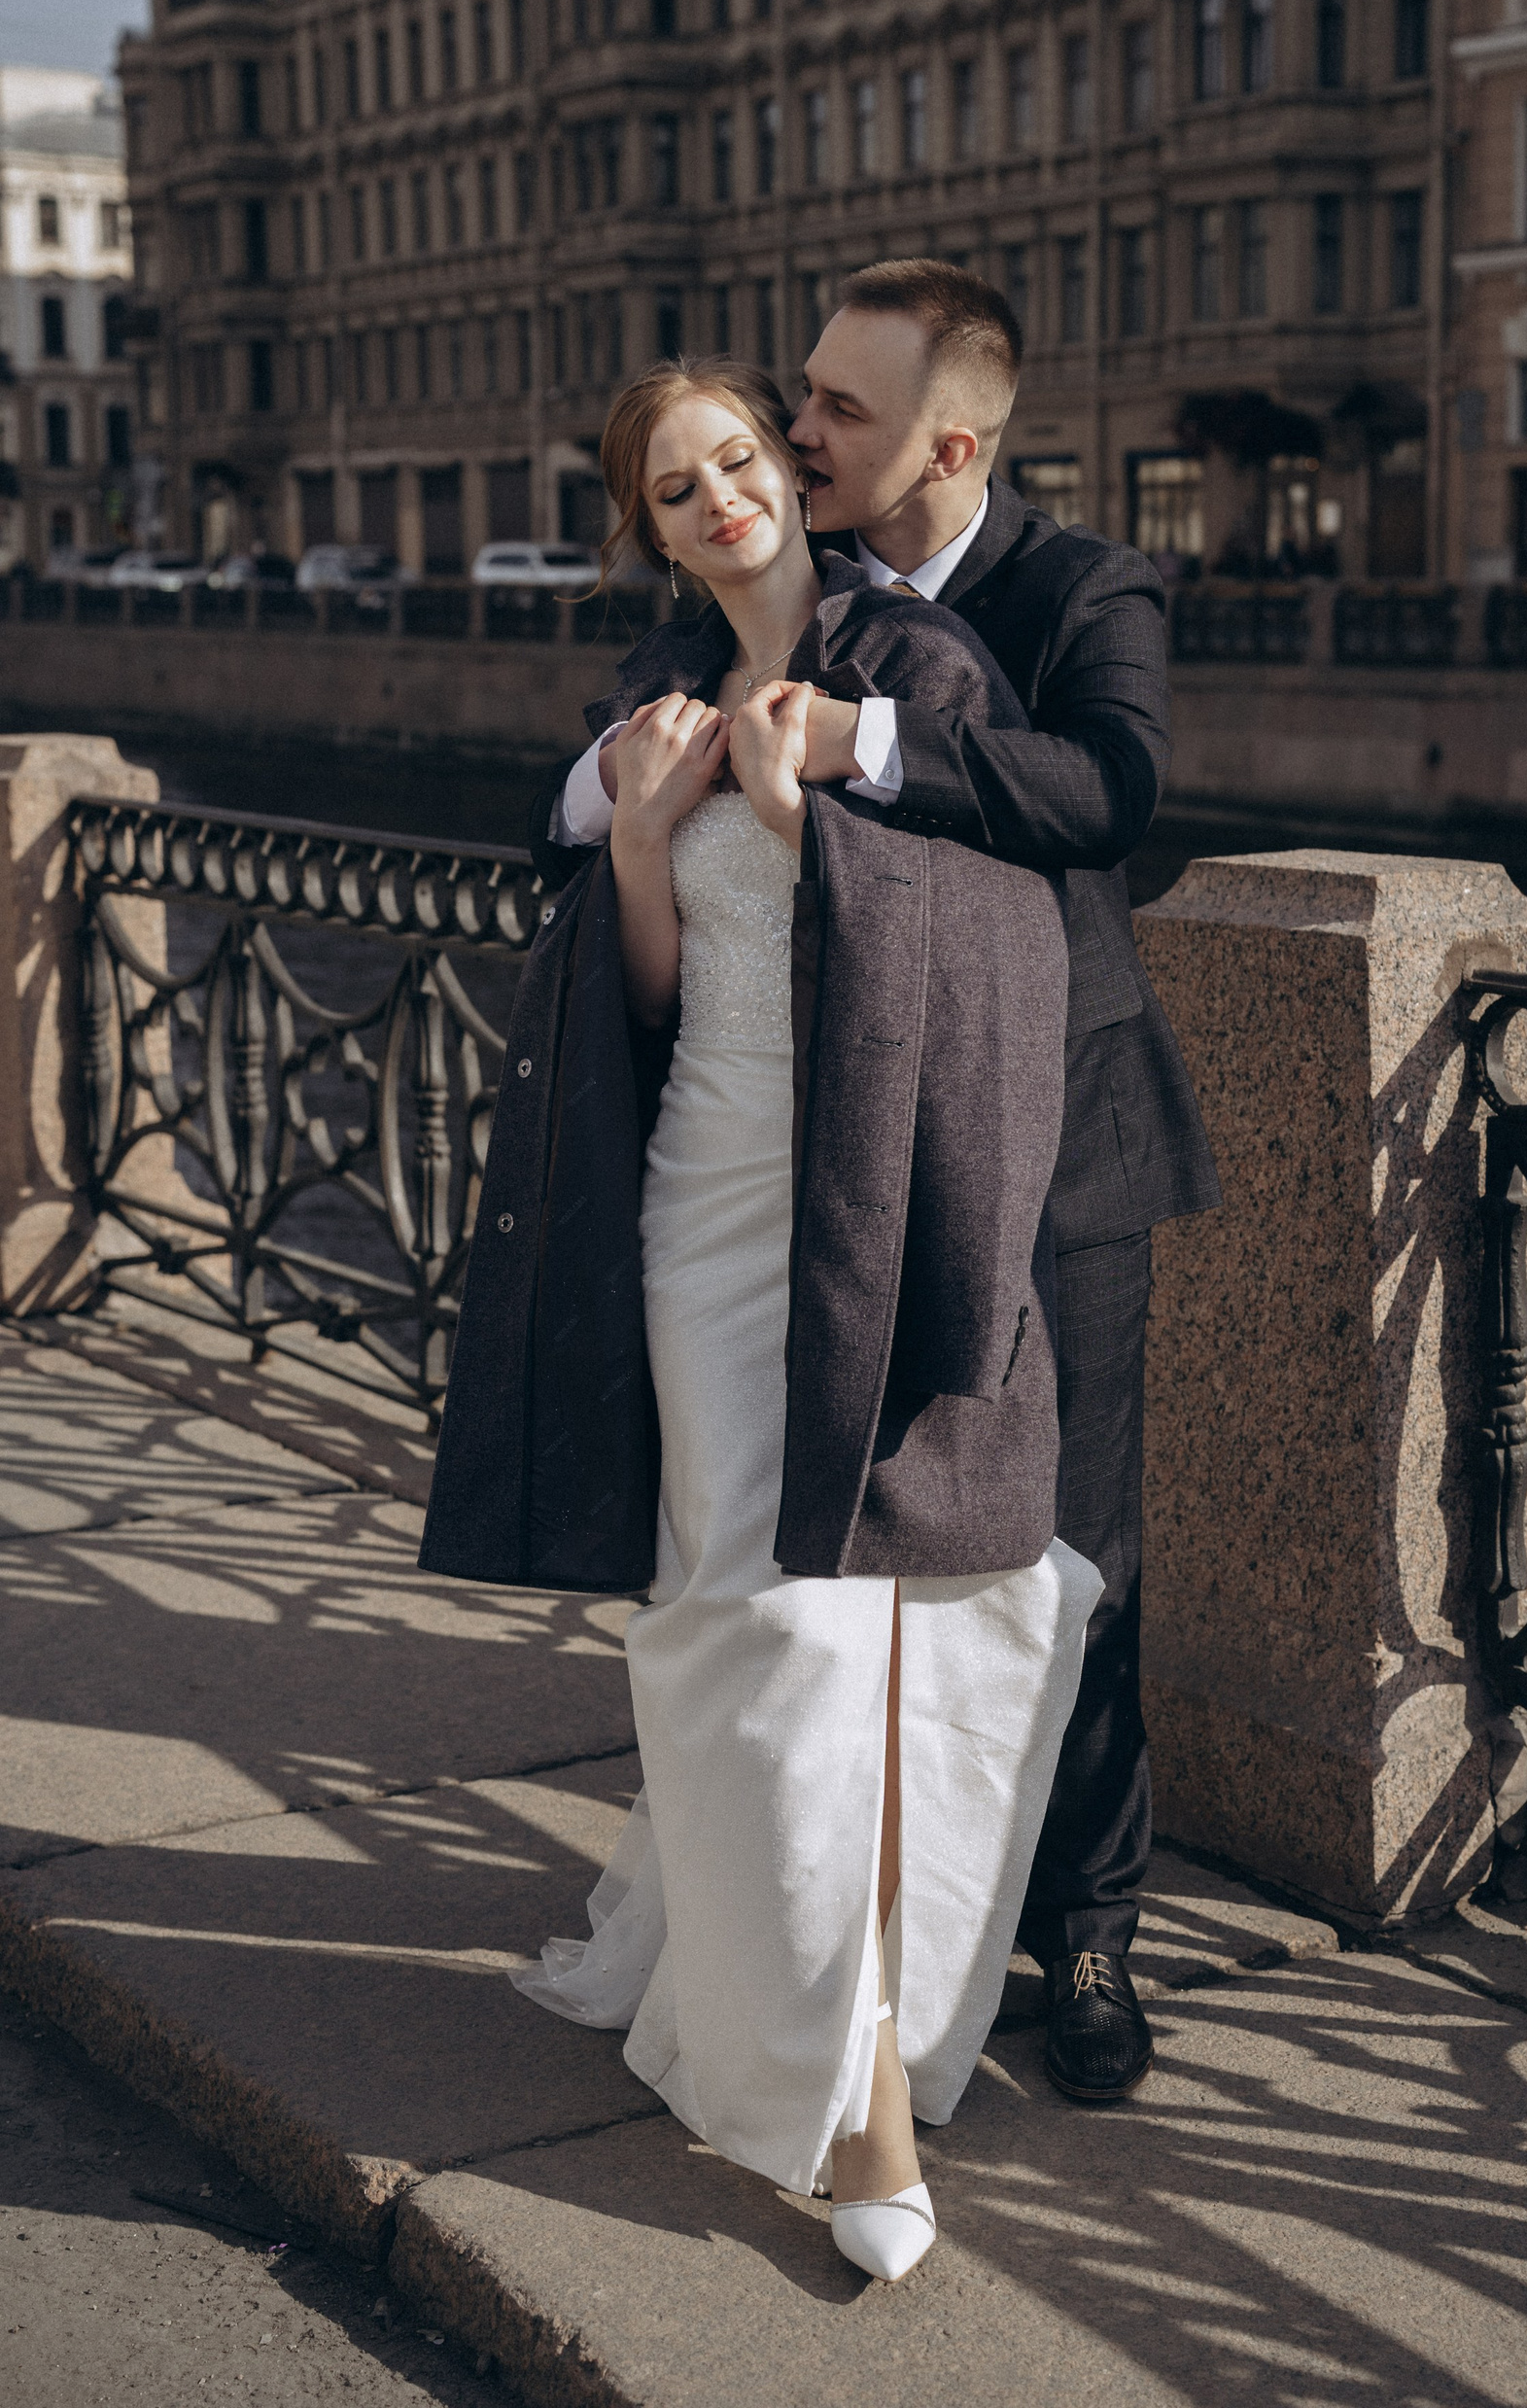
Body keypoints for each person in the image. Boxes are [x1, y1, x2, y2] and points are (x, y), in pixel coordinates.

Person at [420, 355, 1101, 2284]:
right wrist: (646, 837)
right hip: (700, 1210)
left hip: (875, 1202)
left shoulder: (921, 668)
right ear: (645, 526)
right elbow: (643, 994)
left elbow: (999, 938)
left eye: (740, 458)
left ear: (794, 478)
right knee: (742, 1629)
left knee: (874, 1645)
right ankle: (813, 2049)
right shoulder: (656, 704)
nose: (719, 495)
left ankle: (853, 2049)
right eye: (675, 484)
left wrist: (810, 812)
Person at [538, 262, 1220, 2107]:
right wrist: (630, 786)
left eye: (839, 409)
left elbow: (1110, 793)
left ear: (953, 444)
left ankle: (1086, 1932)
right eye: (802, 398)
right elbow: (583, 797)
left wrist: (860, 744)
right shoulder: (761, 589)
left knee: (1064, 1558)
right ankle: (853, 1932)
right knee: (829, 1578)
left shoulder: (1076, 589)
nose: (800, 429)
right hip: (819, 1155)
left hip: (1056, 1145)